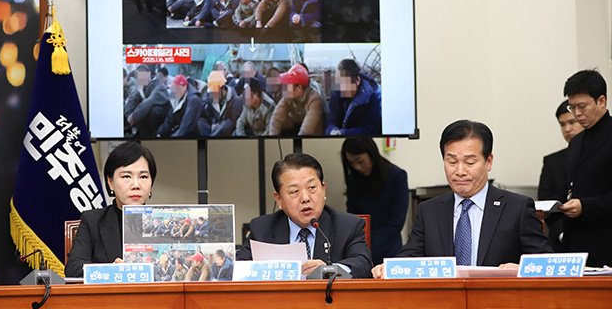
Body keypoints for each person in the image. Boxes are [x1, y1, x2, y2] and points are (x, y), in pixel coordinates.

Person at [371, 120, 552, 278]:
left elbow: (546, 264)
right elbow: (411, 256)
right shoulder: (429, 210)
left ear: (488, 162)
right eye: (451, 162)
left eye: (470, 162)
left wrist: (521, 270)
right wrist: (391, 268)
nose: (459, 171)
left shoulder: (516, 207)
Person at [236, 153, 373, 278]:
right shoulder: (262, 228)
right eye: (294, 191)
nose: (305, 198)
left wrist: (328, 270)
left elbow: (363, 265)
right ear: (279, 199)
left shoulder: (348, 226)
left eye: (312, 188)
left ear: (323, 189)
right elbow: (239, 269)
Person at [65, 142, 157, 277]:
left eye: (143, 177)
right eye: (126, 176)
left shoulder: (161, 220)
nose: (136, 185)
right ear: (110, 182)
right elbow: (73, 268)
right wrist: (111, 270)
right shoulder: (92, 221)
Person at [560, 69, 612, 267]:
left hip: (606, 241)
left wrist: (586, 206)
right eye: (572, 107)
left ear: (601, 101)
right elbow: (569, 187)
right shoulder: (577, 141)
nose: (577, 113)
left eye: (582, 106)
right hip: (575, 243)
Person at [341, 138, 409, 266]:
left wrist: (370, 248)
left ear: (371, 154)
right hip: (361, 248)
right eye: (352, 163)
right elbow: (352, 218)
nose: (357, 167)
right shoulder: (354, 179)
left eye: (360, 161)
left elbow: (396, 222)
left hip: (389, 249)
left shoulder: (397, 176)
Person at [538, 100, 583, 252]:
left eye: (572, 122)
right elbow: (544, 204)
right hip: (560, 242)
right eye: (562, 124)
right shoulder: (552, 161)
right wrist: (561, 233)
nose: (567, 129)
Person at [325, 59, 381, 135]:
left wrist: (344, 133)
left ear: (357, 80)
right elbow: (331, 121)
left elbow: (370, 130)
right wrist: (332, 131)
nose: (342, 88)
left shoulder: (370, 97)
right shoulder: (337, 92)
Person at [268, 64, 326, 136]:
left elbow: (307, 130)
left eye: (289, 84)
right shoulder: (288, 97)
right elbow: (276, 119)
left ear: (299, 88)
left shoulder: (314, 99)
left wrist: (296, 143)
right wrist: (272, 140)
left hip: (315, 139)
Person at [124, 65, 171, 137]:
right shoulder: (141, 88)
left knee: (150, 109)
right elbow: (132, 100)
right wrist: (129, 114)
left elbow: (150, 101)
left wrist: (134, 116)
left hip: (162, 122)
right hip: (147, 124)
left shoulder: (159, 86)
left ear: (149, 74)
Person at [198, 70, 242, 137]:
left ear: (223, 88)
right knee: (200, 122)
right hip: (216, 127)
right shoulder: (212, 99)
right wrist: (213, 123)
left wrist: (220, 126)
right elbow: (210, 115)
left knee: (227, 123)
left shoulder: (235, 100)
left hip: (226, 132)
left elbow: (233, 123)